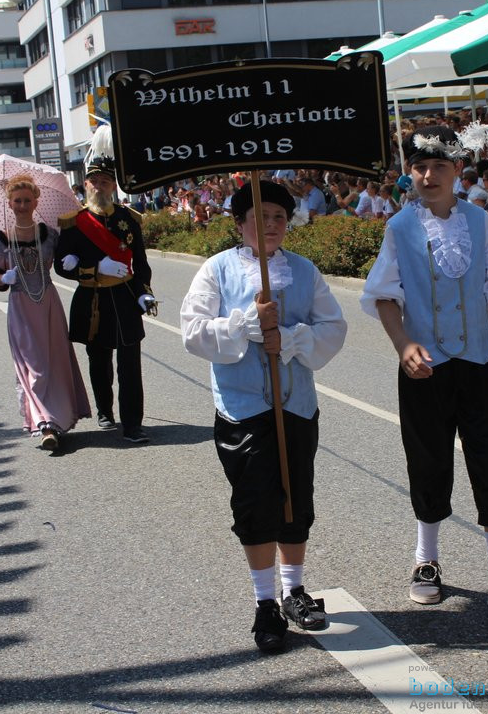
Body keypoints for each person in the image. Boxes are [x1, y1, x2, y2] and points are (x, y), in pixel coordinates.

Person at [361, 125, 488, 620]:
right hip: (425, 368)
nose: (427, 175)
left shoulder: (482, 222)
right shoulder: (399, 228)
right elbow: (383, 295)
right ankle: (426, 561)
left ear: (457, 171)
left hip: (480, 362)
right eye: (419, 167)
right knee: (428, 460)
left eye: (438, 166)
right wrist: (403, 346)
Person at [180, 180, 347, 652]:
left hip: (296, 405)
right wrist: (244, 327)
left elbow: (333, 326)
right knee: (256, 504)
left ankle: (294, 590)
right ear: (240, 223)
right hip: (242, 408)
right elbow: (192, 332)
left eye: (279, 217)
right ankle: (264, 604)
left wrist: (291, 339)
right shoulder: (216, 271)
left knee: (296, 499)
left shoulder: (304, 270)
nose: (271, 225)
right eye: (260, 216)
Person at [55, 126, 156, 444]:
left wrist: (144, 293)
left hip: (124, 297)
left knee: (130, 364)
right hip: (93, 301)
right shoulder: (73, 222)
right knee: (99, 360)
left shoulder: (129, 220)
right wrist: (92, 267)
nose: (99, 186)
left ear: (113, 185)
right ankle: (104, 411)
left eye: (105, 181)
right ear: (85, 184)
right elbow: (61, 265)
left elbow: (140, 262)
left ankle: (133, 424)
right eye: (94, 181)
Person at [0, 174, 91, 450]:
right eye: (17, 200)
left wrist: (74, 259)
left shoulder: (49, 235)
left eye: (27, 200)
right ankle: (44, 423)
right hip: (21, 307)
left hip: (48, 304)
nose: (22, 205)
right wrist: (3, 279)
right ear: (9, 204)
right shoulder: (1, 239)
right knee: (34, 366)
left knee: (54, 361)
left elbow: (64, 261)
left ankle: (57, 420)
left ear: (36, 202)